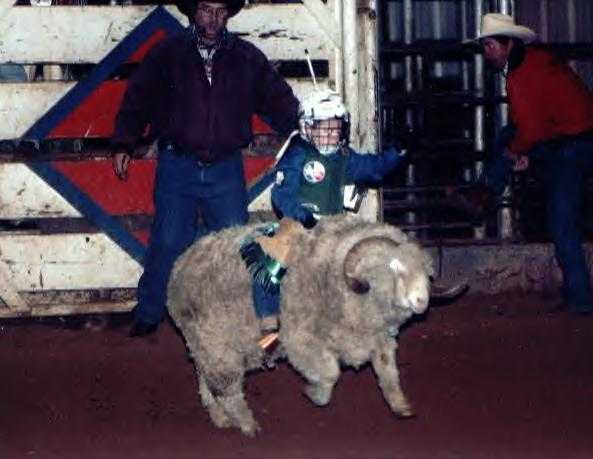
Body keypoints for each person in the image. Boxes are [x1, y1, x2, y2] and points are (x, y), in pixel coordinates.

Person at [111, 0, 300, 337]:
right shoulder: (167, 54)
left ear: (228, 14)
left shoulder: (246, 57)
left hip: (226, 167)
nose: (212, 19)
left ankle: (244, 316)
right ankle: (149, 312)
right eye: (205, 9)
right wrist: (124, 141)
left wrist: (304, 134)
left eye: (220, 11)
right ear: (192, 11)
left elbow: (279, 99)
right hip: (177, 164)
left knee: (237, 242)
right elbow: (138, 97)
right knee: (168, 240)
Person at [244, 89, 466, 337]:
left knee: (371, 255)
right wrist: (299, 214)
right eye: (322, 127)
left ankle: (387, 311)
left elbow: (373, 169)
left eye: (335, 127)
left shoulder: (344, 157)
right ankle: (268, 316)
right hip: (299, 224)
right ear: (308, 127)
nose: (329, 133)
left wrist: (398, 151)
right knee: (275, 256)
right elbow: (281, 194)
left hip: (335, 226)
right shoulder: (297, 154)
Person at [458, 13, 593, 314]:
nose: (487, 51)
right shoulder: (532, 62)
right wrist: (522, 153)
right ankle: (487, 188)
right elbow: (535, 123)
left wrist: (516, 153)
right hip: (569, 137)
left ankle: (581, 301)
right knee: (507, 137)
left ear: (508, 45)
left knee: (561, 219)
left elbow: (530, 129)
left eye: (491, 45)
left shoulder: (521, 75)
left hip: (574, 144)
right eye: (486, 46)